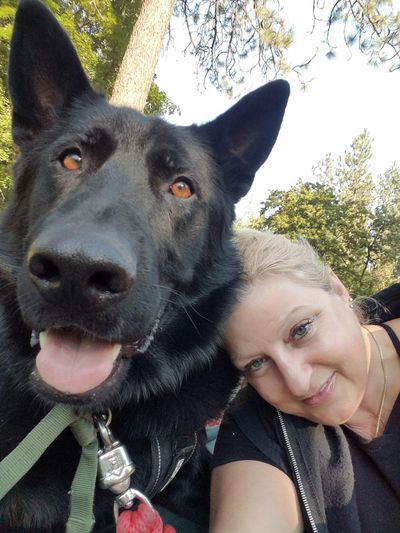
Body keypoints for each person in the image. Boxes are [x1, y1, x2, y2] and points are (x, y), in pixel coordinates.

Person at [210, 228, 400, 533]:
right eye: (257, 363)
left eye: (301, 330)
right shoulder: (257, 430)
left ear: (338, 290)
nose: (297, 384)